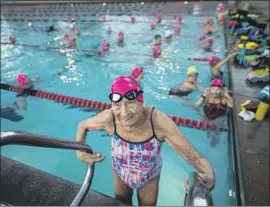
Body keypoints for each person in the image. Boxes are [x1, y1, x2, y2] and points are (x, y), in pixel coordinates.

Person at [76, 75, 215, 206]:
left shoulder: (158, 122)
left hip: (149, 178)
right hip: (120, 172)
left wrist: (209, 175)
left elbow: (194, 158)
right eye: (117, 105)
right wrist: (80, 153)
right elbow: (82, 125)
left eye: (130, 103)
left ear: (141, 102)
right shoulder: (110, 118)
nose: (124, 113)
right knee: (121, 202)